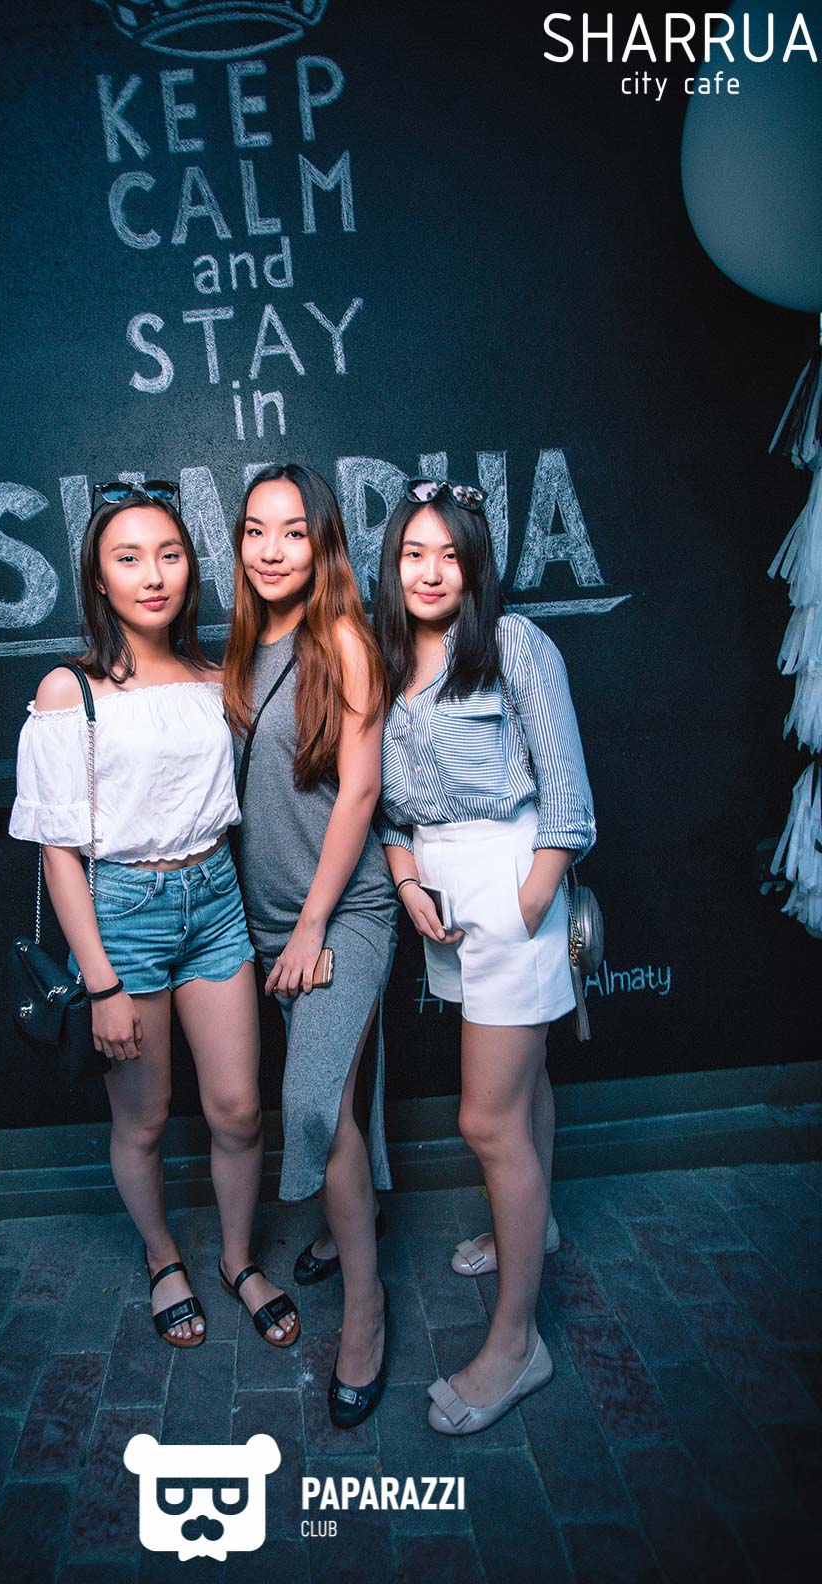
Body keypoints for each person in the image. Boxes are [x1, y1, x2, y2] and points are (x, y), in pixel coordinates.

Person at [9, 482, 299, 1353]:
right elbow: (58, 852)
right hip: (122, 915)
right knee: (143, 1117)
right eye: (128, 558)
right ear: (98, 578)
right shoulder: (70, 690)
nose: (153, 574)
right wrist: (100, 982)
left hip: (215, 899)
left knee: (239, 1109)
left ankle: (237, 1260)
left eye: (169, 554)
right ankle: (164, 1257)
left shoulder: (216, 678)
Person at [374, 478, 595, 1434]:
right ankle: (531, 1229)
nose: (431, 572)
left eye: (450, 555)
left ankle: (517, 1345)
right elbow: (388, 807)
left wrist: (527, 901)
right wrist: (409, 881)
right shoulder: (386, 660)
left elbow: (568, 799)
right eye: (413, 553)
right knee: (525, 1084)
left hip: (509, 883)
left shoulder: (515, 644)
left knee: (486, 1118)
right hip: (442, 893)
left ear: (476, 565)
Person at [224, 463, 398, 1428]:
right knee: (342, 1099)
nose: (272, 550)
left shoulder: (344, 641)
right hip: (266, 919)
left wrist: (312, 926)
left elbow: (361, 791)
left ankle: (365, 1313)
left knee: (314, 1101)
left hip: (343, 912)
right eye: (256, 531)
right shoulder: (244, 648)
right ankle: (346, 1225)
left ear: (322, 541)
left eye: (293, 531)